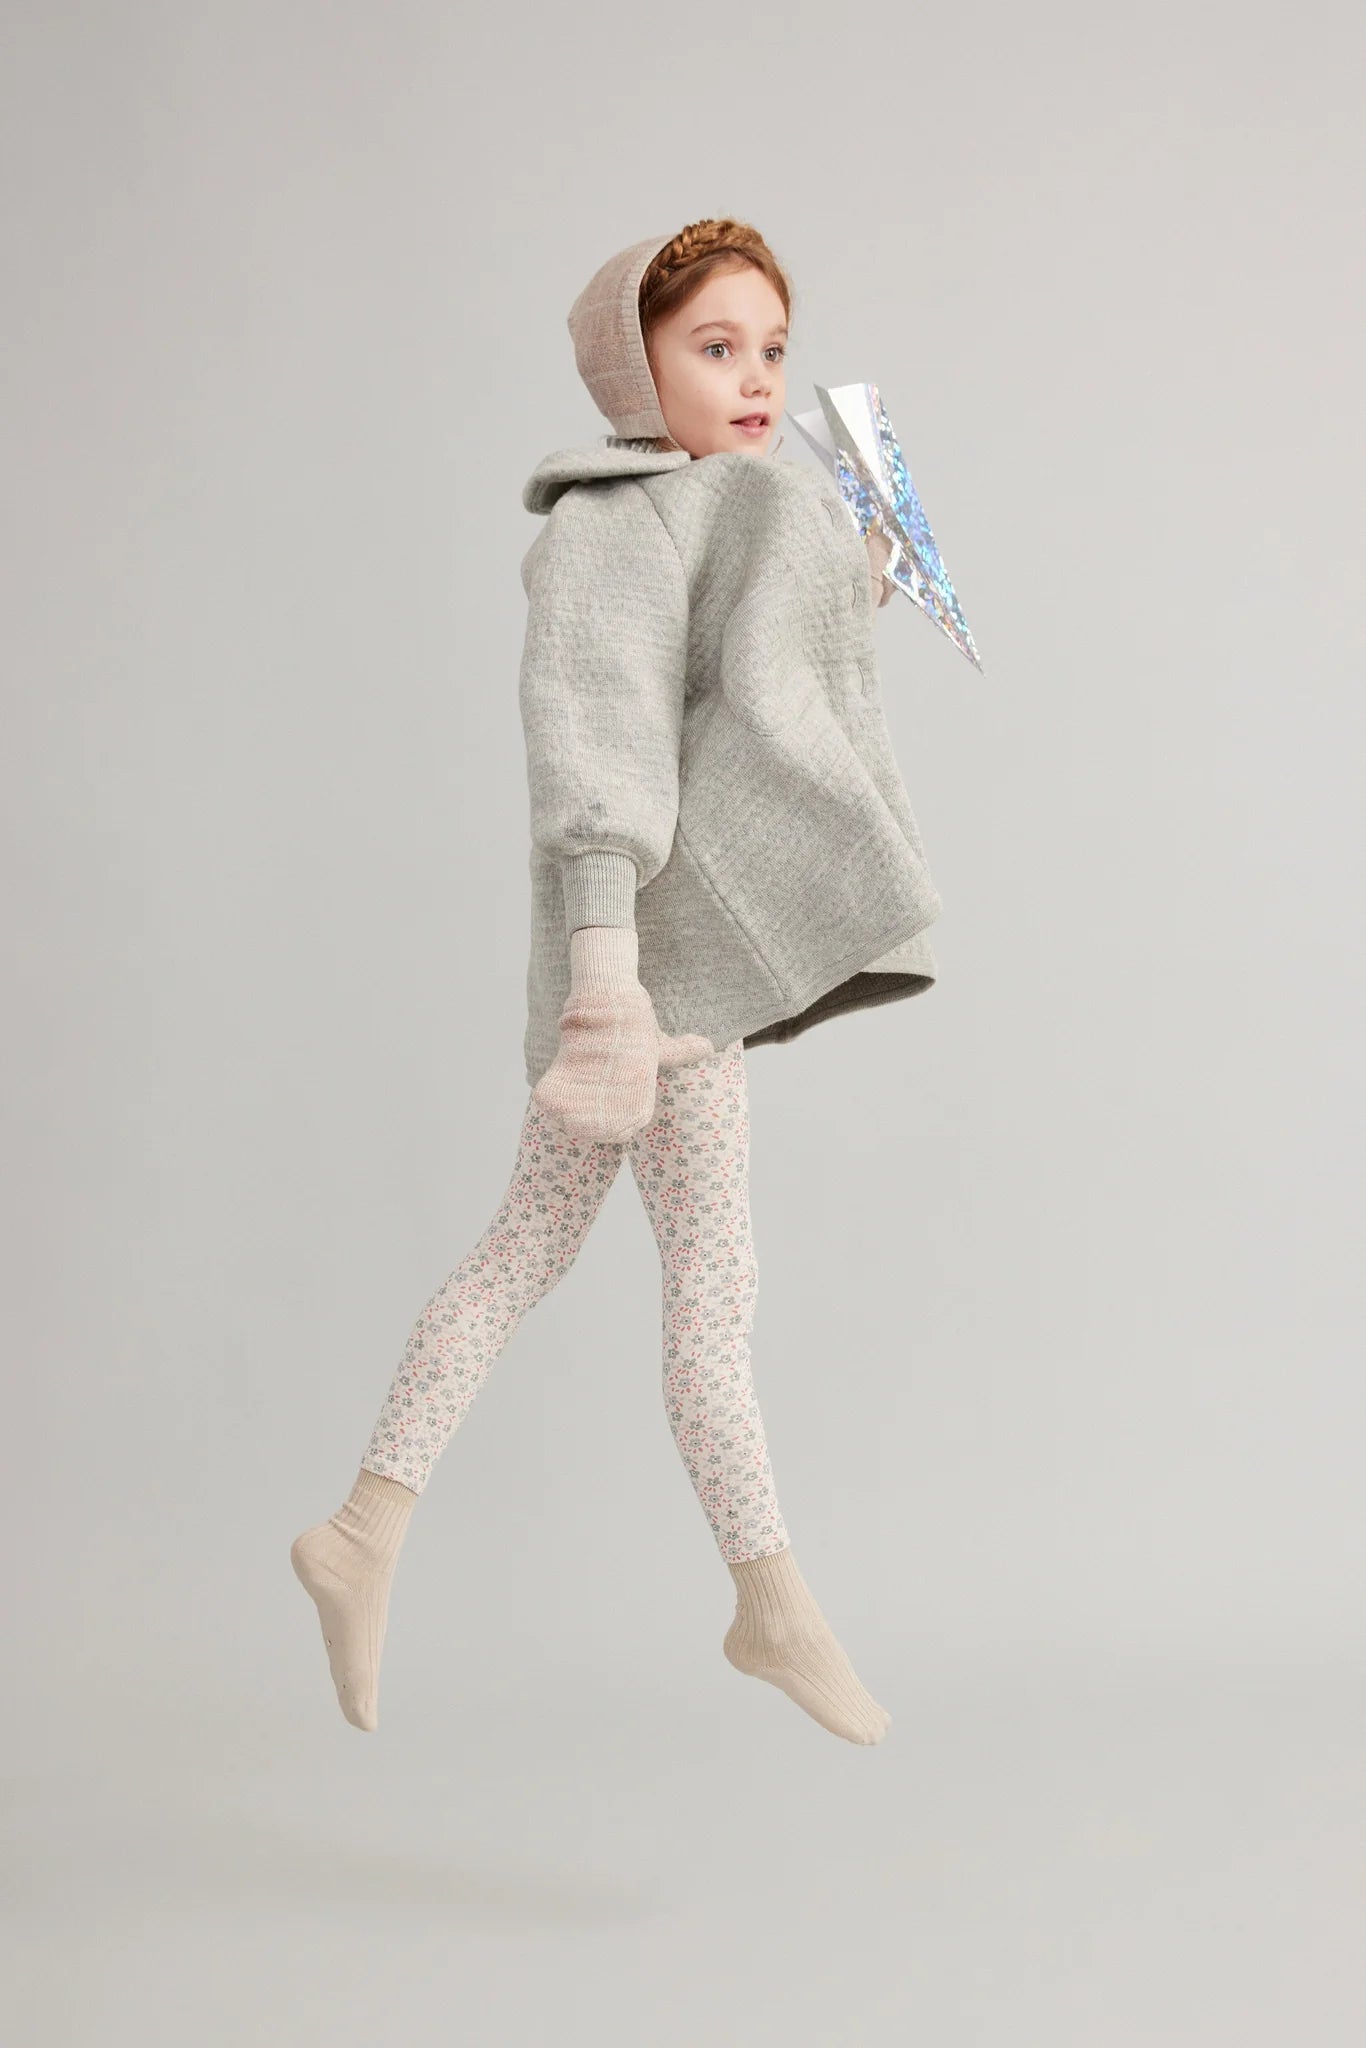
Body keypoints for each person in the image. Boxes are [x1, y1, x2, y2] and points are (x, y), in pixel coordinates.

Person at [290, 218, 943, 1747]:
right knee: (702, 1296)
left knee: (531, 1252)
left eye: (771, 348)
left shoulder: (721, 507)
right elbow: (597, 744)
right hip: (643, 979)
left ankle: (364, 1531)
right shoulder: (610, 527)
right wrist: (604, 977)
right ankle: (768, 1608)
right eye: (715, 347)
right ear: (630, 365)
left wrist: (870, 555)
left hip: (658, 973)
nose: (756, 377)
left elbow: (760, 654)